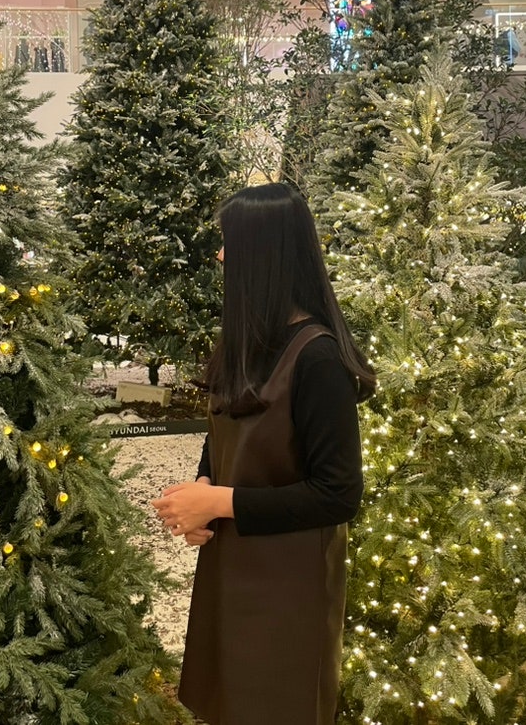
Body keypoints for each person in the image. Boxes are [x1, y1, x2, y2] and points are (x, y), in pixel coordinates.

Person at [151, 182, 375, 725]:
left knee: (275, 706)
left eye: (229, 242)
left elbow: (338, 494)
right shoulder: (245, 343)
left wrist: (220, 503)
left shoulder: (317, 358)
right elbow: (222, 432)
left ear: (263, 255)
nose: (220, 256)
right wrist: (204, 488)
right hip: (231, 566)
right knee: (227, 702)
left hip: (288, 586)